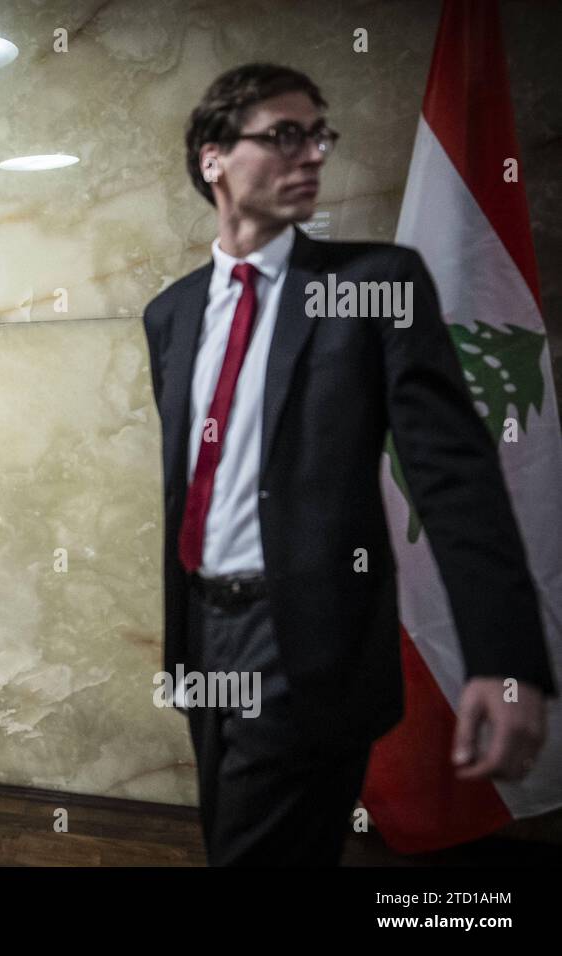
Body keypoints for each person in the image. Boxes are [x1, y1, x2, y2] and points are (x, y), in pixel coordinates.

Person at [141, 62, 555, 865]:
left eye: (318, 136)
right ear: (212, 158)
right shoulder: (172, 313)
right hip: (203, 635)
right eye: (283, 136)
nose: (311, 155)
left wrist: (504, 663)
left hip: (306, 642)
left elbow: (455, 476)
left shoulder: (371, 285)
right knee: (236, 837)